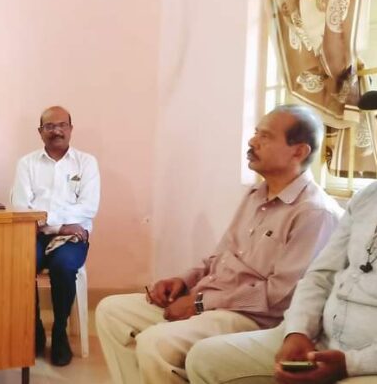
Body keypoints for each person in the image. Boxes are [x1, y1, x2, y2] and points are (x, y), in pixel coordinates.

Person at [95, 104, 343, 383]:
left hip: (250, 317)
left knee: (156, 344)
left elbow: (281, 297)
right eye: (256, 133)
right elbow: (220, 257)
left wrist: (200, 303)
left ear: (298, 152)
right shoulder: (256, 194)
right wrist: (183, 281)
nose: (252, 141)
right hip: (211, 299)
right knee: (112, 311)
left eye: (265, 136)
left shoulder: (314, 213)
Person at [186, 183, 377, 384]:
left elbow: (277, 292)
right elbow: (320, 276)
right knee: (204, 360)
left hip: (366, 361)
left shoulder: (314, 208)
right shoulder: (367, 196)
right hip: (320, 338)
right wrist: (298, 331)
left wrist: (350, 364)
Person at [11, 106, 101, 366]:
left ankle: (59, 331)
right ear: (40, 132)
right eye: (49, 126)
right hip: (35, 234)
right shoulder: (27, 163)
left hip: (73, 237)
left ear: (71, 129)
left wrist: (47, 219)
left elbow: (88, 207)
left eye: (62, 125)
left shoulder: (86, 163)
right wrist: (60, 226)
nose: (56, 131)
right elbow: (21, 207)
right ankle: (35, 328)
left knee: (63, 265)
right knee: (21, 263)